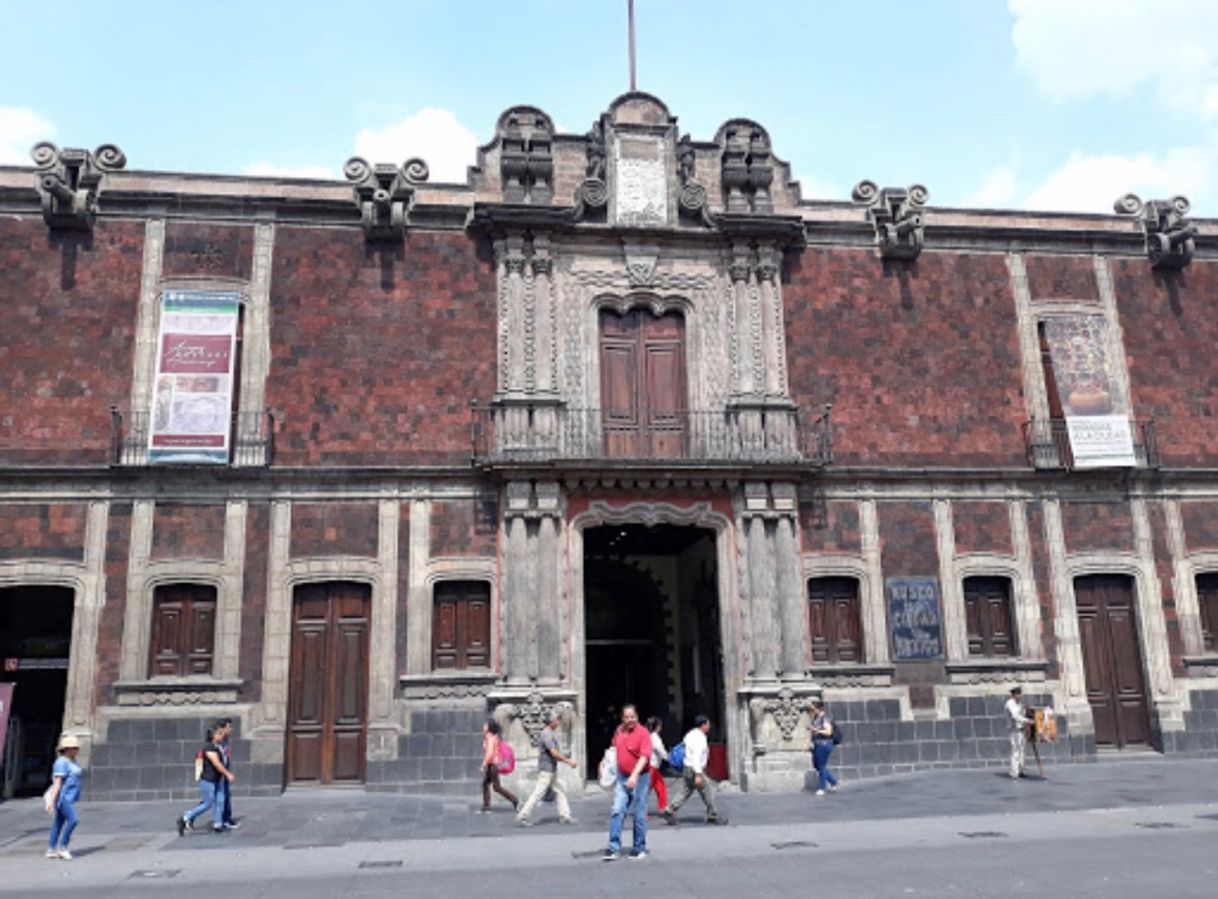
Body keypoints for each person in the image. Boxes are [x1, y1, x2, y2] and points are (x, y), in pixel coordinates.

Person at [603, 704, 652, 861]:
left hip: (640, 778)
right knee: (617, 810)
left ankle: (639, 847)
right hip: (622, 776)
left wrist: (634, 776)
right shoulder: (619, 730)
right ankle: (613, 847)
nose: (630, 720)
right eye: (626, 717)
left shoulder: (643, 733)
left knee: (639, 813)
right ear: (622, 718)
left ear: (637, 717)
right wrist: (603, 764)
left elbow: (644, 757)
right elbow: (612, 750)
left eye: (632, 717)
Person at [515, 710, 577, 826]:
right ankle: (523, 815)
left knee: (559, 791)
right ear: (552, 721)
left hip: (550, 768)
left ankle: (565, 815)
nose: (559, 722)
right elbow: (554, 753)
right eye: (557, 719)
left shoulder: (548, 733)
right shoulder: (547, 734)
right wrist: (568, 761)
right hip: (547, 769)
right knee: (538, 792)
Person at [662, 714, 726, 825]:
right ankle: (712, 815)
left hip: (687, 767)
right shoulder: (700, 738)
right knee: (707, 791)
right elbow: (696, 756)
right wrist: (698, 774)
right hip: (695, 768)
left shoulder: (690, 734)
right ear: (703, 725)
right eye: (708, 724)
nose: (709, 726)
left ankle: (669, 810)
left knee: (686, 791)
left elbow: (685, 744)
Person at [177, 723, 235, 835]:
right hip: (209, 780)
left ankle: (218, 824)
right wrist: (227, 774)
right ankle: (186, 817)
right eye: (219, 733)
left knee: (220, 800)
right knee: (208, 803)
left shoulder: (219, 746)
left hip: (218, 778)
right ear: (213, 735)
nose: (222, 735)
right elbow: (217, 763)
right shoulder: (209, 748)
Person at [44, 734, 83, 860]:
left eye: (77, 748)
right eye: (74, 748)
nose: (77, 750)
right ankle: (63, 847)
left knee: (59, 823)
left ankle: (51, 849)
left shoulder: (72, 761)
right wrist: (51, 801)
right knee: (73, 819)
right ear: (67, 749)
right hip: (63, 797)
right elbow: (57, 783)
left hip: (69, 796)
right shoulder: (61, 763)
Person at [480, 718, 518, 812]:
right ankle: (486, 806)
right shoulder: (493, 737)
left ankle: (514, 800)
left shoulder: (490, 738)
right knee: (486, 784)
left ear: (489, 727)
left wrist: (484, 764)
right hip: (492, 765)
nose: (483, 726)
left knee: (496, 787)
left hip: (492, 765)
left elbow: (490, 753)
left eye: (485, 725)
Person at [809, 699, 839, 797]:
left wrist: (816, 730)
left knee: (821, 765)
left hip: (824, 744)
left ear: (819, 709)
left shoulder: (825, 718)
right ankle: (833, 782)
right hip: (817, 744)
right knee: (817, 765)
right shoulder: (816, 718)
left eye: (813, 709)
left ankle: (822, 788)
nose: (812, 711)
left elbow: (828, 732)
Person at [216, 718, 240, 828]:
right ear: (222, 729)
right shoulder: (218, 741)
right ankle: (189, 817)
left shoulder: (226, 741)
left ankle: (225, 818)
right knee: (210, 800)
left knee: (224, 795)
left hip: (225, 772)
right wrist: (225, 772)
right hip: (220, 773)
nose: (231, 729)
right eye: (229, 727)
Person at [1005, 686, 1032, 780]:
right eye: (1018, 693)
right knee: (1015, 752)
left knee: (1022, 752)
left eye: (1020, 693)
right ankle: (1014, 773)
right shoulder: (1010, 703)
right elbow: (1015, 716)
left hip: (1022, 730)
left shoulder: (1020, 704)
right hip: (1014, 731)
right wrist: (1027, 721)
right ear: (1013, 694)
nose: (1020, 695)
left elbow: (1023, 713)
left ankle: (1021, 771)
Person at [646, 716, 669, 814]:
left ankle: (662, 807)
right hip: (652, 767)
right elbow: (660, 750)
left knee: (660, 786)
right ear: (657, 726)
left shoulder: (648, 735)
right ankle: (642, 809)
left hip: (653, 767)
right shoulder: (655, 737)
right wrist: (668, 758)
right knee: (646, 789)